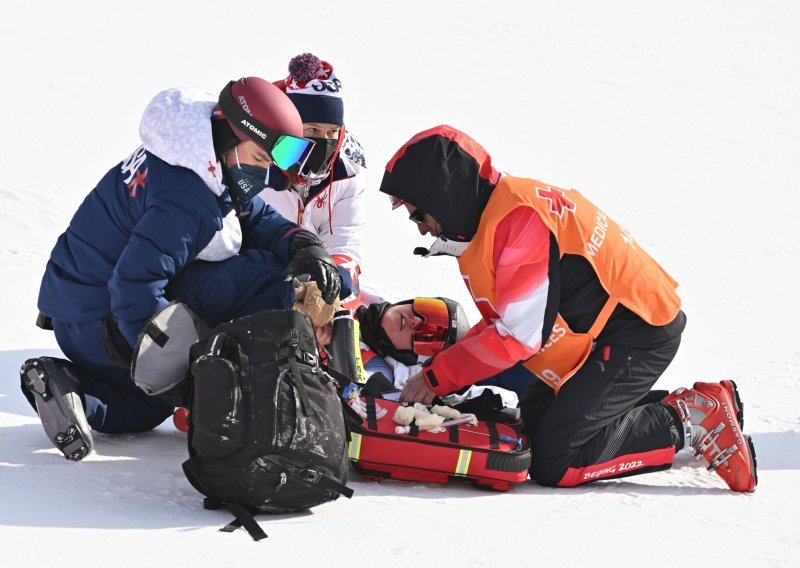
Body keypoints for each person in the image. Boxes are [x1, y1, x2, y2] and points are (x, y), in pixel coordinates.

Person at [377, 125, 757, 492]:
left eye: (417, 214)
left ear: (444, 194)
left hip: (637, 332)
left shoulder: (517, 219)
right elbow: (503, 322)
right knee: (534, 431)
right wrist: (440, 373)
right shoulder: (491, 217)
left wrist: (437, 377)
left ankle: (694, 419)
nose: (421, 230)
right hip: (598, 336)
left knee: (557, 459)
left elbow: (519, 336)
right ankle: (708, 404)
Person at [22, 77, 345, 461]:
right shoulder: (186, 197)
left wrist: (302, 243)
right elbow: (134, 288)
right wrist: (180, 374)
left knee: (150, 407)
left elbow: (253, 216)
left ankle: (70, 389)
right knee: (265, 276)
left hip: (76, 305)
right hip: (97, 317)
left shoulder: (197, 154)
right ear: (231, 136)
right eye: (260, 160)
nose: (264, 174)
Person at [258, 53, 367, 310]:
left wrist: (333, 279)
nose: (324, 140)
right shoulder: (257, 162)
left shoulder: (346, 173)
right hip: (258, 273)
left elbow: (346, 237)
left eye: (332, 132)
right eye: (312, 130)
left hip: (313, 272)